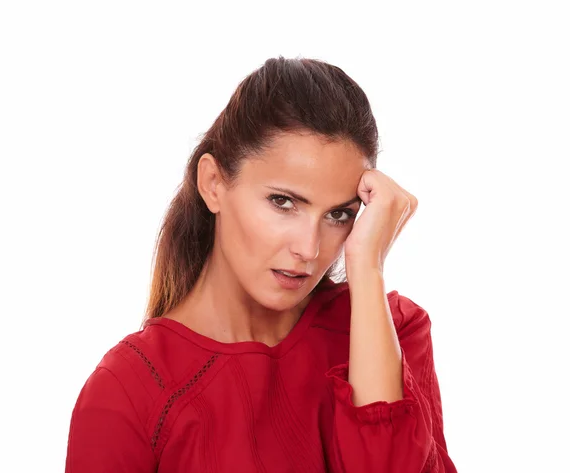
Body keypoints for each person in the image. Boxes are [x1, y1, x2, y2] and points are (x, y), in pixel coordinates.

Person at [65, 56, 458, 472]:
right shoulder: (129, 391)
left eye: (338, 215)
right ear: (213, 184)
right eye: (283, 202)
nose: (309, 248)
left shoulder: (393, 330)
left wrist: (367, 268)